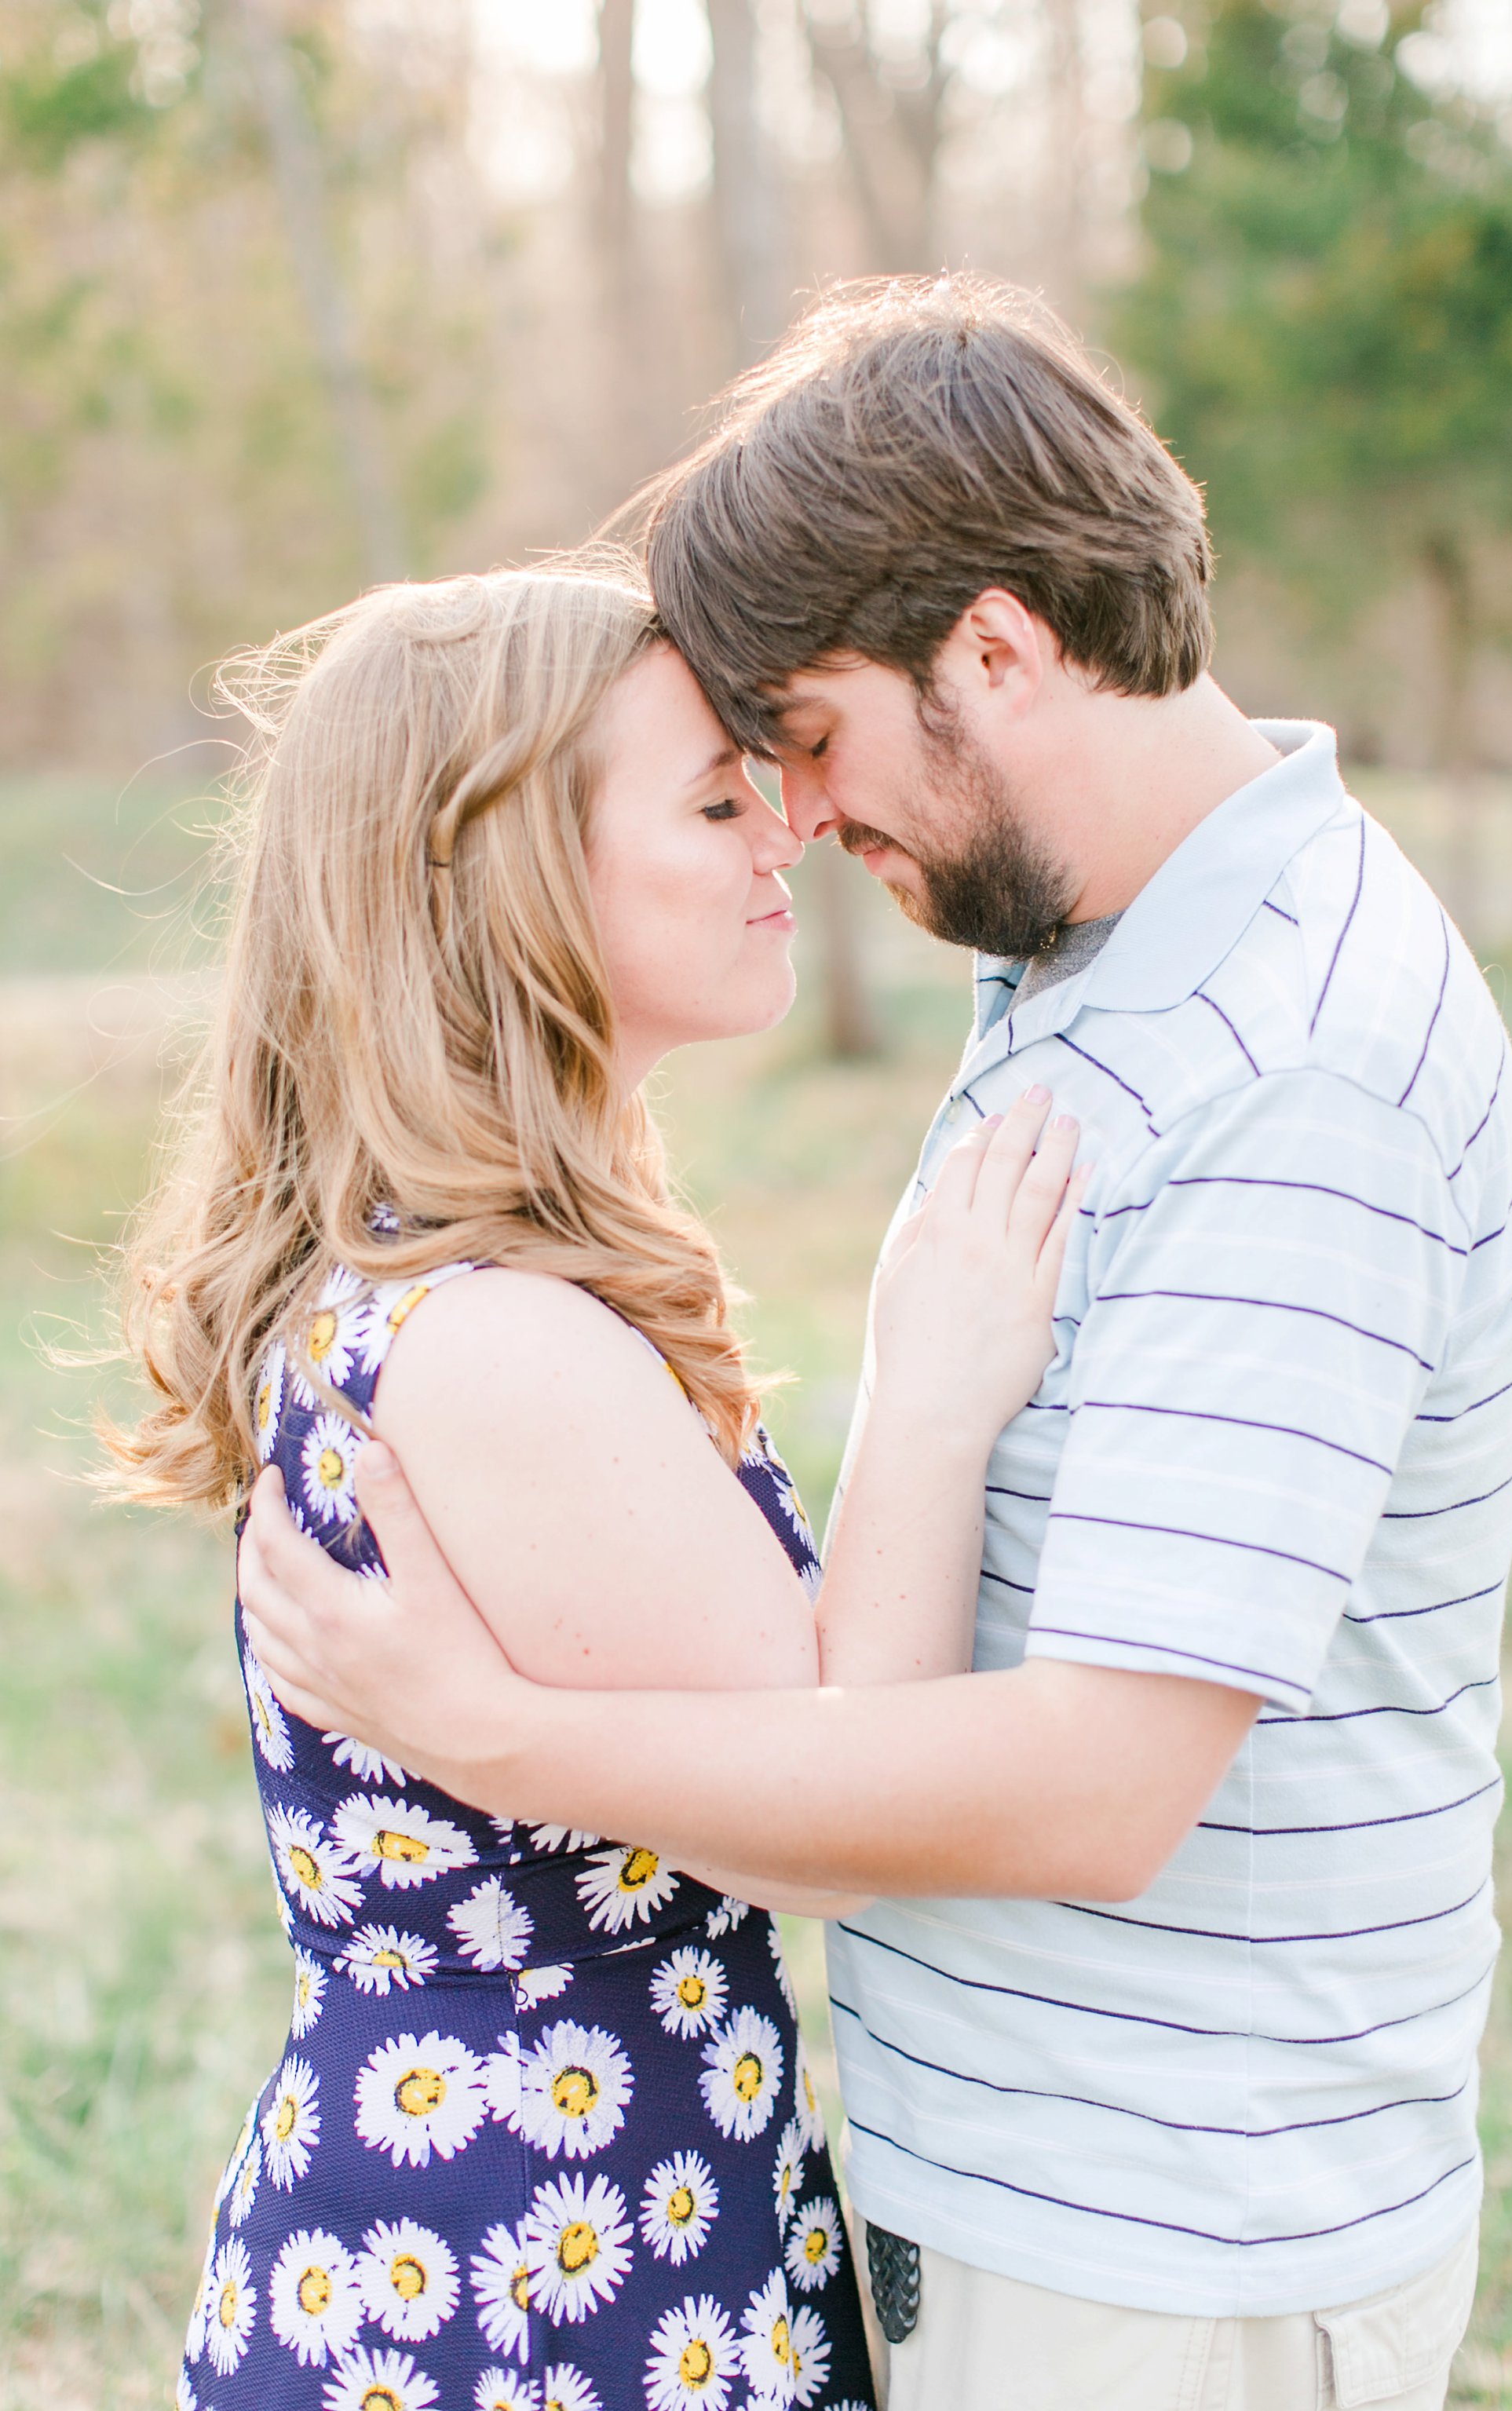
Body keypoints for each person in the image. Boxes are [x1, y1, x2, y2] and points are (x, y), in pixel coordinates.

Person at [240, 277, 1512, 2411]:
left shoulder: (1289, 1063)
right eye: (729, 784)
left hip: (1160, 2243)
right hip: (942, 2221)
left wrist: (492, 1733)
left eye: (816, 742)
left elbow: (1109, 1785)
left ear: (1001, 654)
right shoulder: (1093, 966)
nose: (803, 822)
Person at [107, 557, 1088, 2411]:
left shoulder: (455, 1289)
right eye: (714, 798)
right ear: (494, 879)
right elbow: (836, 1793)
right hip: (534, 2272)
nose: (783, 827)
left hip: (574, 2214)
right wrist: (933, 1394)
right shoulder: (487, 1341)